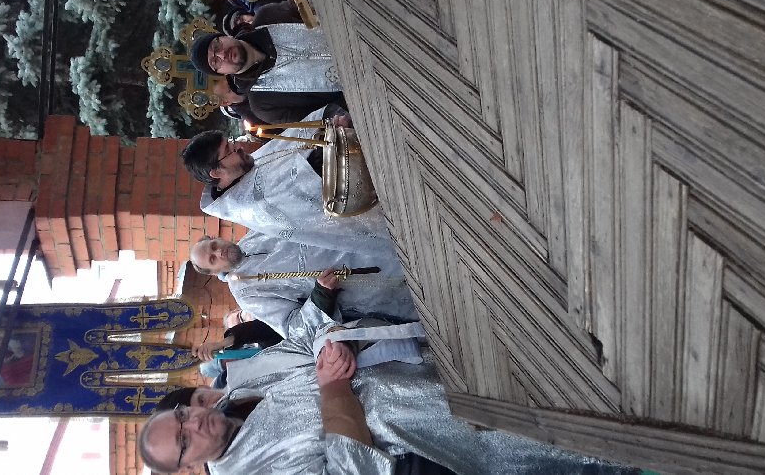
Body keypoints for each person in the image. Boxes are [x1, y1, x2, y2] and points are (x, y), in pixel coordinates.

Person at [137, 298, 635, 475]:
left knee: (546, 378)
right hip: (435, 435)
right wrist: (334, 390)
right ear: (188, 466)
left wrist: (331, 344)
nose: (193, 423)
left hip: (418, 375)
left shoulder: (236, 393)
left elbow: (301, 347)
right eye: (183, 441)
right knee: (560, 438)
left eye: (181, 417)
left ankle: (615, 376)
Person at [180, 107, 394, 258]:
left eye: (232, 142)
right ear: (216, 172)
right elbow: (307, 182)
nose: (239, 147)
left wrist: (329, 124)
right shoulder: (250, 204)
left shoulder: (243, 169)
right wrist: (335, 138)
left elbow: (292, 145)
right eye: (229, 150)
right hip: (375, 203)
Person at [189, 231, 416, 337]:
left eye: (213, 246)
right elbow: (292, 328)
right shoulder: (246, 294)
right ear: (215, 272)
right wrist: (321, 295)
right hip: (372, 288)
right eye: (212, 259)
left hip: (371, 240)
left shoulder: (254, 235)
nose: (219, 252)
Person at [190, 22, 341, 94]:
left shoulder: (267, 17)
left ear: (223, 36)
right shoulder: (263, 99)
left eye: (216, 46)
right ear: (221, 73)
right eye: (215, 62)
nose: (222, 54)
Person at [212, 74, 346, 124]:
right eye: (230, 90)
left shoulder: (251, 78)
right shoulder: (253, 116)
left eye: (231, 82)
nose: (235, 86)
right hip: (334, 108)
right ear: (225, 102)